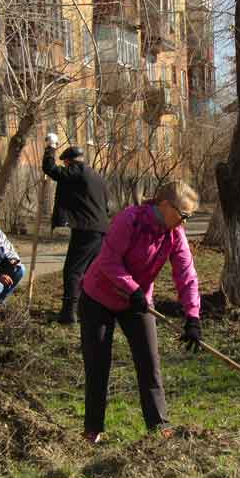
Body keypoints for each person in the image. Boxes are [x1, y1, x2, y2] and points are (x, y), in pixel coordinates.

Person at [79, 180, 202, 444]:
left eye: (188, 217)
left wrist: (192, 316)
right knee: (98, 363)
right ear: (165, 205)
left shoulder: (174, 234)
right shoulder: (129, 220)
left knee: (149, 362)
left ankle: (158, 425)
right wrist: (132, 288)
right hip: (98, 297)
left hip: (138, 302)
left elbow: (186, 274)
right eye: (183, 215)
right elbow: (108, 261)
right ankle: (93, 429)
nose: (184, 222)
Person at [42, 133, 110, 324]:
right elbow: (105, 206)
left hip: (86, 231)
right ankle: (88, 310)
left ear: (70, 162)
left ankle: (68, 313)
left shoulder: (77, 171)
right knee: (90, 272)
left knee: (73, 271)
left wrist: (51, 147)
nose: (65, 167)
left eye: (65, 163)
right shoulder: (97, 177)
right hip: (101, 231)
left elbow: (50, 169)